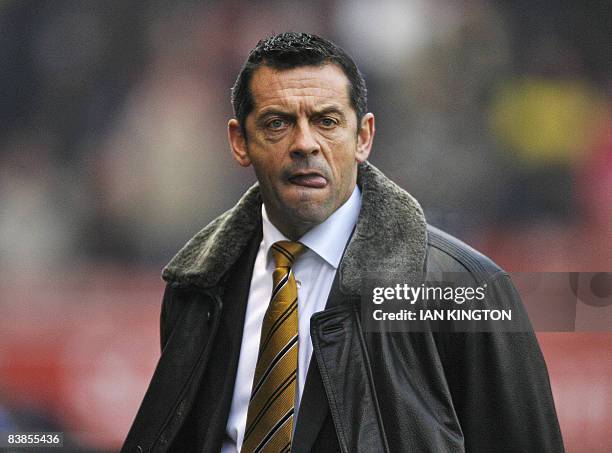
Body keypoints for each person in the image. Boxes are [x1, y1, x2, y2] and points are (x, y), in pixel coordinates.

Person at [121, 32, 564, 453]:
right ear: (240, 142)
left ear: (364, 137)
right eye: (277, 123)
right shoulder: (197, 287)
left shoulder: (466, 287)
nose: (305, 144)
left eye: (327, 121)